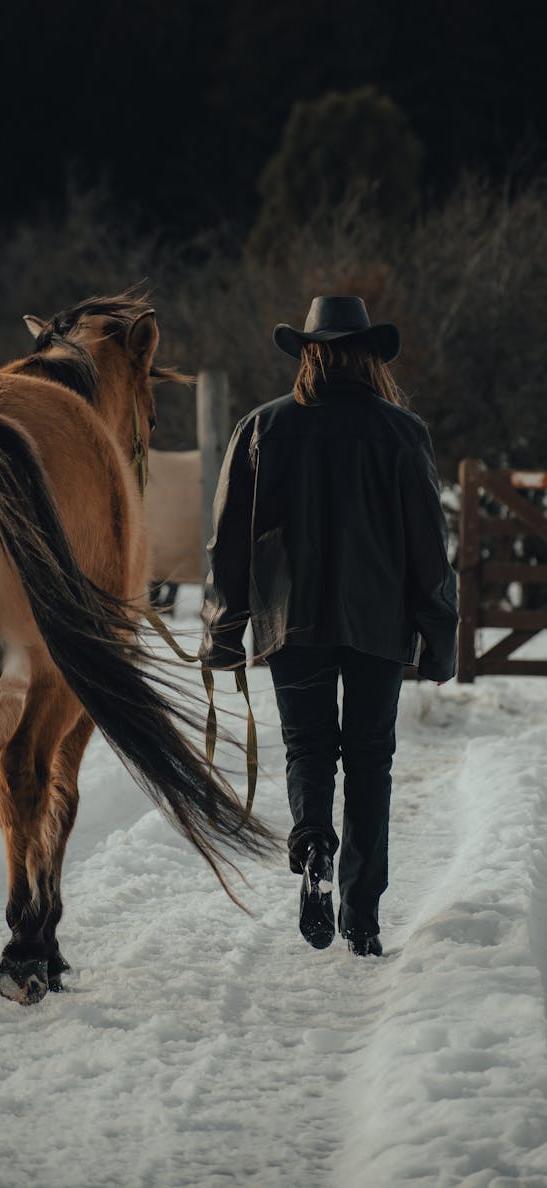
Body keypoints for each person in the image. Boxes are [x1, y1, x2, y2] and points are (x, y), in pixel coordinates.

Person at [199, 296, 458, 957]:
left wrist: (221, 629)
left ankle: (313, 841)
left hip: (293, 620)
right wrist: (440, 637)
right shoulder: (402, 433)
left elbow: (228, 540)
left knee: (309, 750)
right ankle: (362, 916)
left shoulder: (263, 427)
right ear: (370, 358)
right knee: (370, 760)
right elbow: (429, 547)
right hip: (378, 624)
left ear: (308, 353)